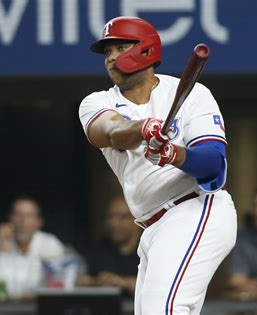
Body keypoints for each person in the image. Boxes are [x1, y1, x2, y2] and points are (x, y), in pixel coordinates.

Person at [78, 16, 237, 314]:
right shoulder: (97, 102)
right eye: (107, 53)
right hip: (152, 225)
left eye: (120, 48)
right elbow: (109, 131)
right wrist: (143, 129)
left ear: (146, 50)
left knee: (162, 310)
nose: (111, 58)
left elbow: (215, 168)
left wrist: (174, 154)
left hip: (196, 209)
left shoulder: (193, 95)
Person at [0, 196, 65, 300]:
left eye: (29, 216)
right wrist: (1, 252)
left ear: (39, 222)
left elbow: (59, 285)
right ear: (10, 218)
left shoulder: (50, 243)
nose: (23, 221)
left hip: (40, 308)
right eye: (18, 215)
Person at [78, 196, 141, 296]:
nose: (113, 223)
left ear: (137, 219)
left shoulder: (147, 250)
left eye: (121, 217)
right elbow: (80, 281)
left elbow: (156, 287)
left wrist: (122, 282)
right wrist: (96, 282)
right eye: (109, 217)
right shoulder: (99, 249)